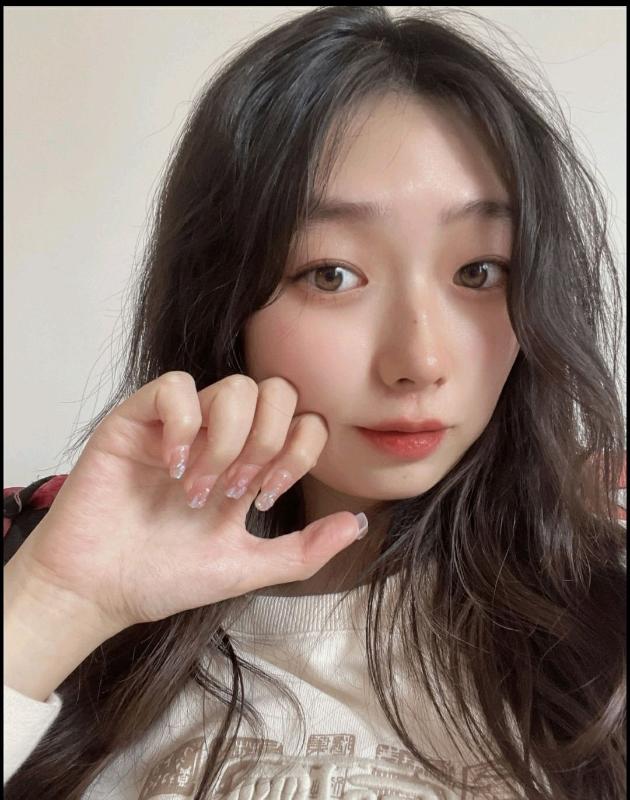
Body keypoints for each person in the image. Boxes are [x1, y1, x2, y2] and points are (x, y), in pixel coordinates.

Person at [3, 6, 626, 800]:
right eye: (332, 274)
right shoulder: (67, 592)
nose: (420, 362)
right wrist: (59, 603)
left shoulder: (601, 631)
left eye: (480, 272)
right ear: (225, 300)